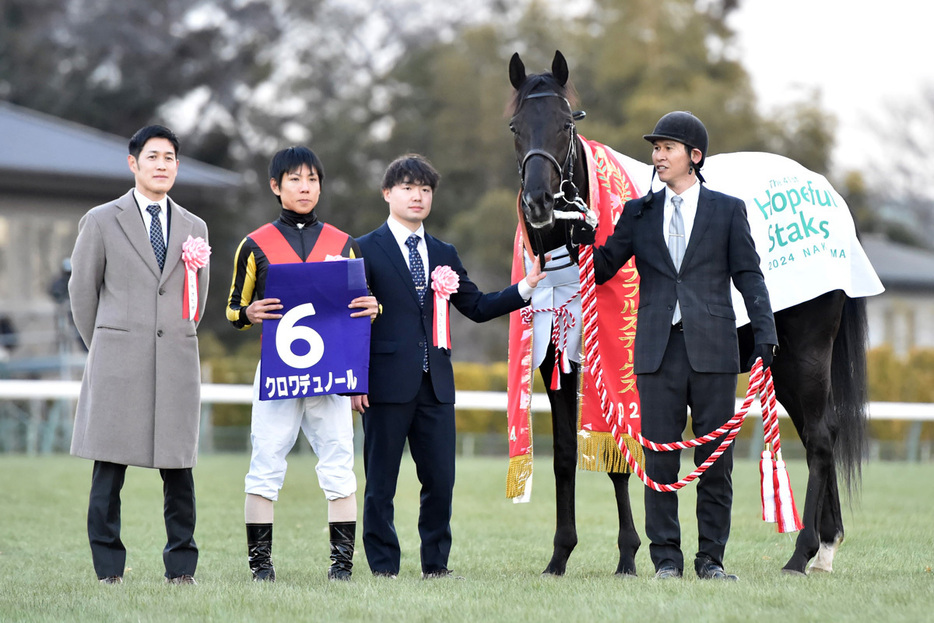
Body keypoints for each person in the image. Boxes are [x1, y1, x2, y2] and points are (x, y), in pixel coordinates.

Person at [586, 112, 777, 581]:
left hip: (714, 350)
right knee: (660, 460)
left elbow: (748, 274)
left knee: (716, 463)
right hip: (655, 352)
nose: (657, 156)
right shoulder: (639, 212)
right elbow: (604, 267)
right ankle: (666, 561)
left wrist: (767, 331)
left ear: (694, 156)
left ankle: (711, 560)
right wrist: (573, 236)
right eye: (655, 148)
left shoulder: (728, 210)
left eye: (667, 148)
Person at [353, 154, 546, 579]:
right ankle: (384, 567)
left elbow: (476, 307)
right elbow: (349, 320)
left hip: (436, 387)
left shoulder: (444, 252)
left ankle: (435, 565)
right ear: (388, 193)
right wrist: (354, 380)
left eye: (424, 189)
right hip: (382, 385)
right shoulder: (361, 249)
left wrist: (527, 286)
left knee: (440, 482)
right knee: (380, 484)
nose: (417, 196)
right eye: (407, 188)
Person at [226, 146, 378, 582]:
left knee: (339, 464)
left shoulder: (344, 243)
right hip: (277, 372)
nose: (305, 187)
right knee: (266, 463)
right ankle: (260, 569)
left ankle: (342, 568)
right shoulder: (254, 244)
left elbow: (359, 310)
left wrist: (374, 307)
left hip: (331, 375)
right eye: (295, 179)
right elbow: (234, 308)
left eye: (312, 179)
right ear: (276, 186)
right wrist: (249, 314)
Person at [69, 124, 209, 585]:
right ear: (133, 164)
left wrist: (171, 336)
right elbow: (82, 292)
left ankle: (181, 568)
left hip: (176, 363)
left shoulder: (194, 227)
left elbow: (197, 300)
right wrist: (109, 344)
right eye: (153, 156)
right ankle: (109, 569)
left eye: (169, 157)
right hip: (117, 363)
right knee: (108, 472)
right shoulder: (102, 219)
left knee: (180, 474)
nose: (162, 164)